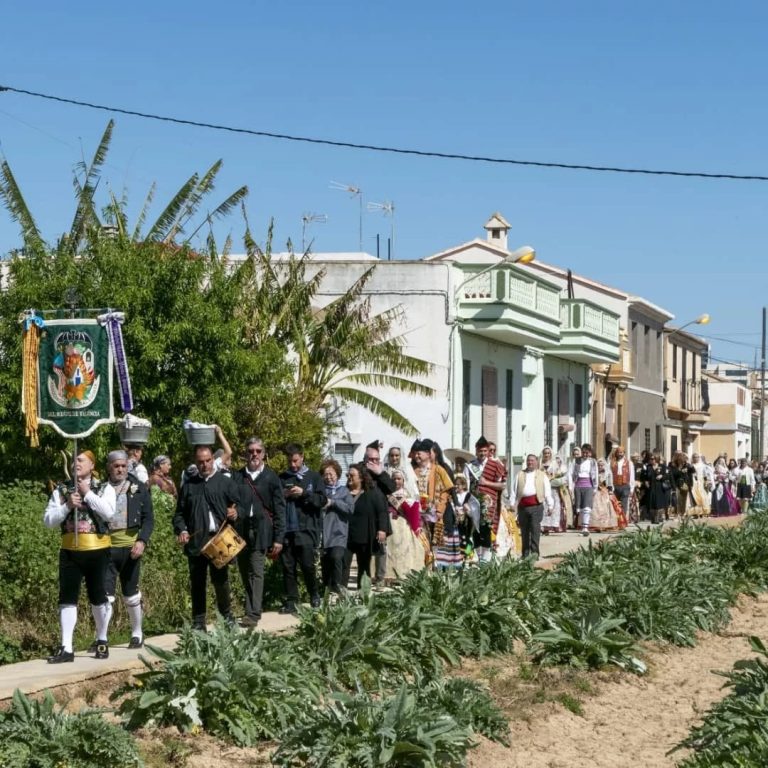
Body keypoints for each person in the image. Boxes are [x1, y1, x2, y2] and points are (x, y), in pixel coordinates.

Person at [43, 451, 117, 663]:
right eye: (73, 459)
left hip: (98, 550)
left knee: (98, 597)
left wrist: (87, 493)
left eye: (81, 460)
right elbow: (48, 520)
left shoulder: (105, 487)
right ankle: (66, 647)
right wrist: (67, 506)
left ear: (92, 464)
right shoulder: (62, 489)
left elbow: (109, 513)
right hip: (70, 551)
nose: (76, 463)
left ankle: (102, 639)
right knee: (67, 598)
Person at [172, 444, 240, 630]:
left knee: (221, 581)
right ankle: (199, 622)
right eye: (200, 462)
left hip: (219, 539)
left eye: (208, 461)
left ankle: (226, 617)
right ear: (196, 462)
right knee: (197, 583)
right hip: (197, 541)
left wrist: (236, 512)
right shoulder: (189, 486)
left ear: (212, 460)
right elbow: (179, 514)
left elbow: (240, 503)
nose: (205, 465)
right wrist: (182, 530)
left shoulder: (225, 482)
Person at [92, 450, 154, 650]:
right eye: (116, 466)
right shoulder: (100, 488)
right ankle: (102, 638)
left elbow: (149, 518)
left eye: (123, 466)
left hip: (130, 547)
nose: (120, 469)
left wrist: (142, 541)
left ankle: (137, 633)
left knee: (130, 594)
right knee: (105, 595)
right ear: (109, 467)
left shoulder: (139, 487)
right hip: (106, 547)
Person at [233, 437, 285, 628]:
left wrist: (279, 537)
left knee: (257, 571)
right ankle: (250, 609)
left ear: (264, 453)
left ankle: (253, 613)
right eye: (251, 451)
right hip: (241, 530)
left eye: (258, 451)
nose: (254, 454)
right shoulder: (238, 477)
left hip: (262, 531)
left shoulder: (272, 477)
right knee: (244, 572)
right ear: (246, 453)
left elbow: (280, 509)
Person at [279, 443, 326, 613]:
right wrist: (283, 496)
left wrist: (304, 494)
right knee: (288, 567)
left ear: (302, 457)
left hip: (306, 529)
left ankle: (314, 594)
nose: (293, 465)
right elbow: (274, 503)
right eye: (290, 461)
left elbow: (322, 501)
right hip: (286, 530)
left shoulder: (313, 477)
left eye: (296, 461)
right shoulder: (282, 478)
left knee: (307, 565)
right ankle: (292, 600)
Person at [343, 464, 389, 588]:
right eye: (348, 475)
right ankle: (341, 593)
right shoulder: (343, 492)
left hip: (365, 537)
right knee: (344, 564)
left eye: (352, 475)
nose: (349, 478)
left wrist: (382, 529)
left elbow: (382, 512)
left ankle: (364, 593)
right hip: (346, 536)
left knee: (363, 566)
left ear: (361, 478)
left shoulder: (373, 493)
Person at [414, 439, 454, 559]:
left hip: (434, 511)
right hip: (419, 512)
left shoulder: (438, 469)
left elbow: (446, 490)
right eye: (416, 454)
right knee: (422, 541)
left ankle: (435, 568)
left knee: (436, 542)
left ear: (427, 454)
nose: (416, 456)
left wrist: (440, 509)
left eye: (419, 453)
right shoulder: (414, 471)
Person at [385, 469, 427, 580]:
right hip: (389, 522)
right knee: (390, 549)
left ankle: (403, 573)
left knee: (404, 548)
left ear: (403, 481)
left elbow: (414, 511)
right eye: (394, 479)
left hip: (403, 524)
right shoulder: (387, 494)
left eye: (399, 479)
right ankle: (389, 574)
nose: (396, 481)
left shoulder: (407, 494)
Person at [320, 458, 354, 594]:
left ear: (337, 474)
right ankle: (327, 589)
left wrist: (333, 502)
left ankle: (338, 587)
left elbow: (350, 509)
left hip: (339, 533)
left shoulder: (344, 491)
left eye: (331, 474)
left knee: (336, 557)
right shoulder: (321, 491)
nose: (329, 477)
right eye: (326, 474)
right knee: (326, 562)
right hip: (323, 533)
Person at [511, 454, 553, 559]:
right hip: (523, 507)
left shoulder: (542, 475)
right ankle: (525, 554)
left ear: (536, 462)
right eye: (528, 461)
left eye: (532, 461)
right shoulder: (519, 474)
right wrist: (512, 504)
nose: (530, 463)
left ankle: (535, 554)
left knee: (535, 529)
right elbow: (513, 491)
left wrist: (550, 505)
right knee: (524, 531)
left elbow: (547, 492)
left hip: (536, 506)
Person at [470, 436, 507, 540]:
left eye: (485, 451)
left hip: (489, 503)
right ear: (476, 451)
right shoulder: (470, 465)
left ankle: (487, 554)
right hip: (473, 502)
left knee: (486, 530)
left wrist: (486, 483)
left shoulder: (495, 465)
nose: (482, 453)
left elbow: (502, 485)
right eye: (480, 451)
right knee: (474, 530)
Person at [571, 443, 598, 536]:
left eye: (587, 453)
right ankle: (581, 525)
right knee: (579, 508)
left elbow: (595, 475)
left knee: (587, 507)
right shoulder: (576, 461)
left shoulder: (593, 462)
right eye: (584, 452)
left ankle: (585, 527)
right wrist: (571, 486)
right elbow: (571, 473)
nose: (585, 454)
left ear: (590, 453)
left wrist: (595, 487)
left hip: (589, 485)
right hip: (578, 485)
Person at [540, 446, 568, 533]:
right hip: (543, 489)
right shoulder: (540, 463)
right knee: (544, 506)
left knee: (555, 506)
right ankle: (544, 526)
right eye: (545, 453)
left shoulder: (554, 463)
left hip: (553, 489)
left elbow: (560, 474)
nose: (547, 455)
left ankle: (554, 525)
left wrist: (554, 479)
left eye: (548, 453)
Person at [645, 452, 671, 524]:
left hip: (659, 487)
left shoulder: (662, 466)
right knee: (652, 502)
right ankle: (653, 517)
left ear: (656, 459)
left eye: (653, 459)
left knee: (659, 502)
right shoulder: (648, 467)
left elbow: (668, 475)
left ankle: (658, 517)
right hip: (651, 487)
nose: (651, 460)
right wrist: (646, 482)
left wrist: (662, 476)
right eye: (650, 459)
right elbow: (646, 477)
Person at [609, 445, 635, 520]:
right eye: (618, 452)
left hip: (625, 485)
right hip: (615, 485)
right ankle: (615, 520)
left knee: (624, 504)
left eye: (621, 452)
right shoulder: (613, 462)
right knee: (615, 504)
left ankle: (622, 520)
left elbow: (632, 475)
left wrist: (632, 488)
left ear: (624, 453)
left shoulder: (629, 463)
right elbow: (610, 474)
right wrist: (611, 485)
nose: (620, 454)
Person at [670, 452, 695, 519]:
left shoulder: (686, 465)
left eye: (683, 460)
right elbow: (673, 475)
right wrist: (681, 471)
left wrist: (689, 463)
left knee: (683, 500)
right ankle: (678, 513)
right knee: (678, 499)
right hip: (677, 484)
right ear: (677, 459)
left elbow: (692, 472)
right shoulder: (673, 465)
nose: (682, 462)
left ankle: (682, 513)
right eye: (681, 460)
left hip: (685, 484)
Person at [689, 452, 713, 517]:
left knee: (702, 497)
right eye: (694, 457)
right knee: (695, 497)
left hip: (701, 482)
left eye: (697, 457)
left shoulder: (702, 465)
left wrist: (707, 482)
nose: (695, 458)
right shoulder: (690, 465)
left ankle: (702, 512)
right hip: (693, 483)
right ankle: (696, 513)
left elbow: (705, 474)